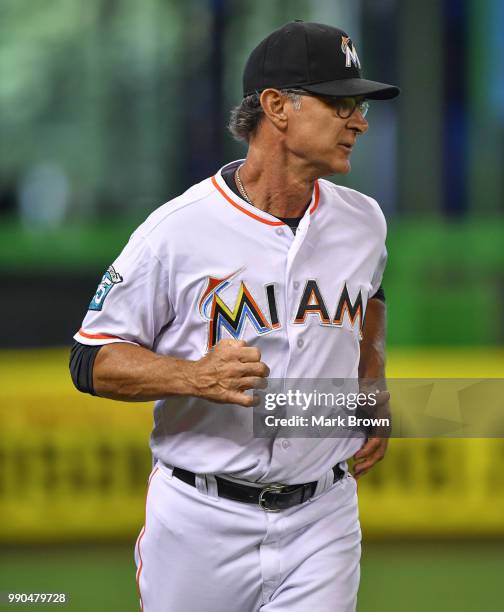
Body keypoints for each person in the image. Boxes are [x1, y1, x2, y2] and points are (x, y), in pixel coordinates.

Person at [70, 20, 399, 612]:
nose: (360, 121)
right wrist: (192, 377)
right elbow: (90, 358)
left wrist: (368, 384)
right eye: (341, 102)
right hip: (200, 520)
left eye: (360, 105)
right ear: (276, 106)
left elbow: (371, 298)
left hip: (323, 516)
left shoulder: (364, 221)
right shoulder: (176, 231)